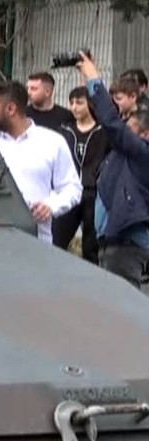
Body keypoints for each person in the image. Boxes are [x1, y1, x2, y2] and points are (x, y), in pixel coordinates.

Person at [77, 54, 149, 286]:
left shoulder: (141, 153)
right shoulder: (126, 153)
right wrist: (86, 80)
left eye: (130, 130)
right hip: (112, 244)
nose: (123, 132)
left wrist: (94, 80)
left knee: (125, 312)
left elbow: (113, 124)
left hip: (125, 246)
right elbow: (107, 118)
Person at [0, 80, 82, 244]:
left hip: (36, 242)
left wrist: (51, 205)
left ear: (11, 109)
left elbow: (72, 188)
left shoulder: (52, 142)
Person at [51, 86, 108, 264]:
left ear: (90, 104)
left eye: (80, 103)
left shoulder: (103, 131)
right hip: (70, 189)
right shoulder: (65, 130)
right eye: (72, 103)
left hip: (93, 191)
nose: (75, 107)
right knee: (57, 237)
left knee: (91, 242)